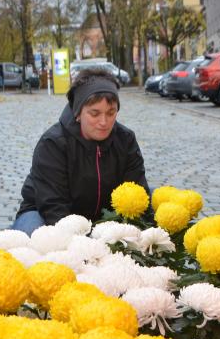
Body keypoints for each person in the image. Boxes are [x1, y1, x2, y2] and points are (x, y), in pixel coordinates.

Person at [13, 68, 150, 235]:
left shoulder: (125, 140)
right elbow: (53, 206)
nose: (104, 122)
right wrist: (84, 242)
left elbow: (138, 188)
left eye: (111, 113)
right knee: (33, 235)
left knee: (150, 200)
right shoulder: (53, 143)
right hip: (43, 212)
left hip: (105, 217)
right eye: (94, 113)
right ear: (78, 113)